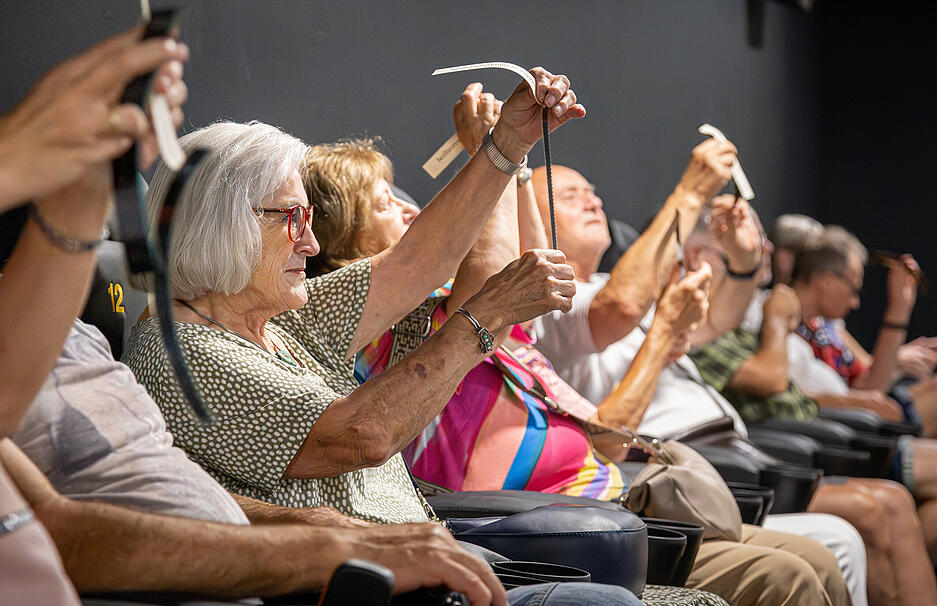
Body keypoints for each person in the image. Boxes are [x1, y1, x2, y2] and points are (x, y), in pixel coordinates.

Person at [303, 90, 852, 606]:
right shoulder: (391, 327)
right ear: (340, 245)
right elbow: (510, 293)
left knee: (818, 558)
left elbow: (525, 282)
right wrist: (497, 153)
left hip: (606, 505)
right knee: (800, 568)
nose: (411, 210)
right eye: (385, 205)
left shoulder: (473, 307)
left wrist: (508, 159)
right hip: (553, 530)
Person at [123, 69, 584, 524]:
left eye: (308, 219)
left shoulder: (279, 319)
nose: (311, 244)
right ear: (224, 226)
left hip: (417, 551)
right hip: (355, 567)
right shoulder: (181, 351)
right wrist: (485, 313)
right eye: (291, 219)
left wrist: (509, 142)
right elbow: (361, 435)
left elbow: (417, 262)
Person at [0, 25, 189, 606]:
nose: (310, 242)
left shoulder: (87, 336)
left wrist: (90, 180)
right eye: (290, 214)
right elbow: (64, 525)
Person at [688, 228, 937, 606]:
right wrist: (777, 320)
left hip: (806, 440)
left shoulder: (797, 325)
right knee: (881, 508)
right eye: (743, 255)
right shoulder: (713, 330)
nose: (856, 300)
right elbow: (774, 380)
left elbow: (848, 381)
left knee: (909, 507)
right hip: (787, 453)